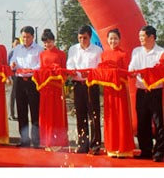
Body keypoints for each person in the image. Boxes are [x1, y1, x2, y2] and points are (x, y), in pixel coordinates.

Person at [89, 28, 135, 158]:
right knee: (110, 118)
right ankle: (112, 147)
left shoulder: (124, 54)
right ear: (107, 40)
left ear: (119, 40)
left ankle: (123, 148)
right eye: (110, 38)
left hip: (120, 90)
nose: (113, 41)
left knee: (121, 117)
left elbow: (126, 73)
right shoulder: (104, 54)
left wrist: (115, 72)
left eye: (115, 38)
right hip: (109, 91)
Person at [128, 25, 164, 162]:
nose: (140, 39)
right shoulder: (136, 51)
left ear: (151, 37)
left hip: (155, 92)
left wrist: (147, 75)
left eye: (143, 36)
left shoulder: (161, 53)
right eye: (140, 37)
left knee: (159, 122)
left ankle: (160, 151)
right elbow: (132, 68)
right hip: (141, 91)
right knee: (142, 122)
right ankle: (146, 150)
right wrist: (139, 74)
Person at [66, 25, 103, 155]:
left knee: (93, 115)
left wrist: (91, 74)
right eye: (80, 38)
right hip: (78, 84)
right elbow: (69, 65)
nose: (82, 40)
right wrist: (73, 72)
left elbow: (99, 68)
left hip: (91, 85)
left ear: (90, 37)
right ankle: (82, 144)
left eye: (85, 38)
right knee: (80, 115)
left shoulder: (97, 50)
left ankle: (95, 145)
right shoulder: (73, 49)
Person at [9, 25, 43, 148]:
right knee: (21, 111)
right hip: (19, 81)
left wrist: (31, 69)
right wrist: (12, 64)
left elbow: (41, 65)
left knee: (35, 110)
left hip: (33, 81)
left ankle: (36, 140)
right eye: (23, 37)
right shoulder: (17, 49)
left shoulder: (39, 49)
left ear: (33, 37)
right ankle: (24, 139)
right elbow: (13, 62)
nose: (25, 39)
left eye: (27, 37)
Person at [35, 28, 68, 151]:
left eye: (49, 42)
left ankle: (58, 141)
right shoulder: (42, 54)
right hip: (46, 89)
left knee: (57, 114)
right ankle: (47, 141)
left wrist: (57, 72)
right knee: (46, 115)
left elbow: (65, 72)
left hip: (57, 88)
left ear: (54, 41)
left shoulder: (61, 54)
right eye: (45, 42)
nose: (47, 44)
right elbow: (41, 70)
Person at [8, 37, 20, 121]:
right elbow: (7, 64)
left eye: (18, 43)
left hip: (20, 74)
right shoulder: (11, 52)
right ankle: (11, 114)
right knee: (12, 94)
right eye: (16, 43)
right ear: (12, 44)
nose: (17, 45)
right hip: (13, 74)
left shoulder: (20, 51)